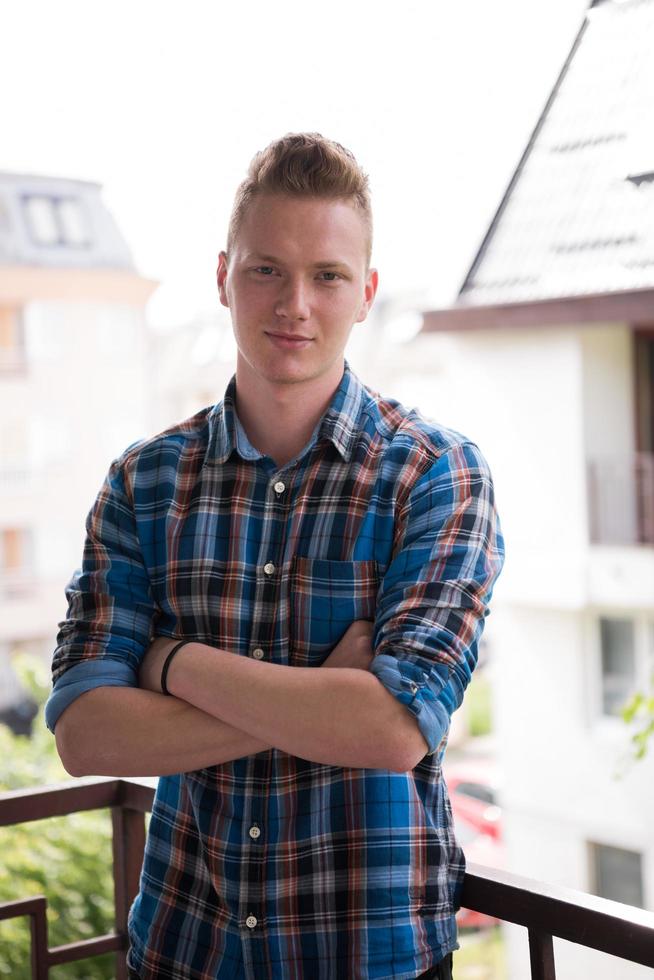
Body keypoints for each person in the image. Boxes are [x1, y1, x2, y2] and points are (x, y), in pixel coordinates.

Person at [46, 133, 504, 980]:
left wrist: (171, 662)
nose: (295, 301)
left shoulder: (434, 476)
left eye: (327, 275)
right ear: (223, 276)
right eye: (266, 269)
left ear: (365, 292)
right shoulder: (145, 483)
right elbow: (84, 733)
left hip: (370, 959)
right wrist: (322, 699)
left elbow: (395, 729)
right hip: (187, 950)